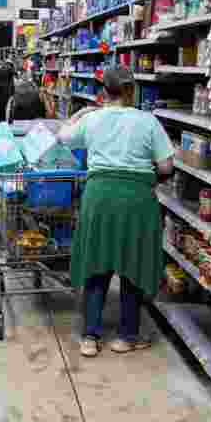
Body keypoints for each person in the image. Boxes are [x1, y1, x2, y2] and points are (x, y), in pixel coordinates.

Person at [58, 65, 175, 358]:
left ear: (103, 92)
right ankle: (125, 336)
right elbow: (166, 167)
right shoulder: (148, 122)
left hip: (99, 198)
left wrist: (79, 115)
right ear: (131, 90)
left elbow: (62, 136)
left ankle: (90, 337)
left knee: (97, 265)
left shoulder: (93, 120)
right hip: (136, 200)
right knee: (131, 266)